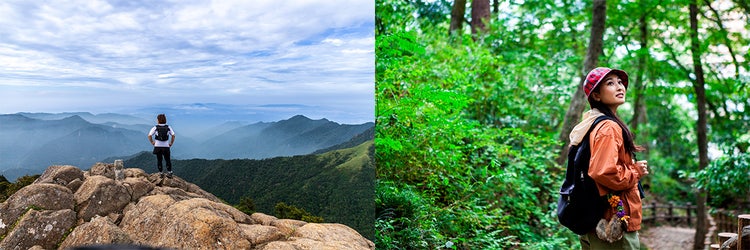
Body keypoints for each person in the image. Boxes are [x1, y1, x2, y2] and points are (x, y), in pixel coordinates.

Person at [569, 67, 650, 249]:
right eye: (610, 83)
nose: (619, 87)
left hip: (594, 220)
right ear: (596, 96)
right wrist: (635, 171)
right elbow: (603, 171)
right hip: (612, 224)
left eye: (620, 82)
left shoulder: (591, 123)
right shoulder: (608, 127)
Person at [148, 114, 176, 178]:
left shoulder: (155, 127)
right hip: (166, 146)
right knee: (167, 159)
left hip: (157, 146)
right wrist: (171, 143)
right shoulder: (168, 127)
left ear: (158, 120)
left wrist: (152, 142)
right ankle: (169, 172)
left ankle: (161, 173)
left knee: (159, 160)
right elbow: (173, 135)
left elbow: (149, 135)